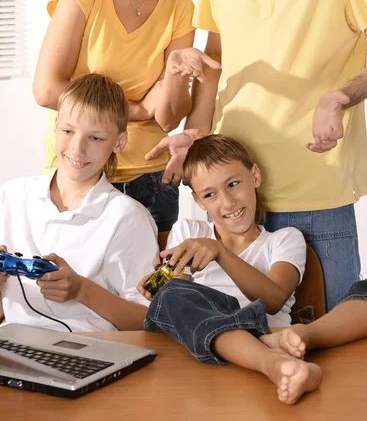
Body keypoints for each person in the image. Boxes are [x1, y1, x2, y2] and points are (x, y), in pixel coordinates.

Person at [146, 0, 367, 311]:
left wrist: (339, 96)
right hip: (234, 187)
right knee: (238, 332)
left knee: (331, 329)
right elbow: (215, 63)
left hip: (317, 184)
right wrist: (197, 136)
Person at [33, 0, 195, 235]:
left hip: (152, 176)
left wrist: (171, 70)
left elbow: (167, 118)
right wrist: (135, 109)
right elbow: (46, 90)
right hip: (81, 166)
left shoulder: (180, 8)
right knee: (70, 284)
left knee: (151, 289)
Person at [138, 135, 322, 405]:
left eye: (233, 184)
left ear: (255, 176)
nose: (228, 203)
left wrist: (220, 252)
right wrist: (160, 286)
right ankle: (268, 355)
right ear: (199, 201)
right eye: (210, 194)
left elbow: (273, 300)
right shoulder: (189, 231)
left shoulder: (284, 239)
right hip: (205, 353)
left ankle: (269, 359)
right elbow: (179, 298)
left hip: (266, 331)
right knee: (173, 295)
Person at [0, 73, 159, 332]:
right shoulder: (10, 197)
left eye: (95, 138)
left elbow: (148, 321)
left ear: (119, 141)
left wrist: (82, 290)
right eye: (68, 131)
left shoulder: (128, 217)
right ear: (56, 124)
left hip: (90, 352)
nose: (77, 148)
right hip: (16, 348)